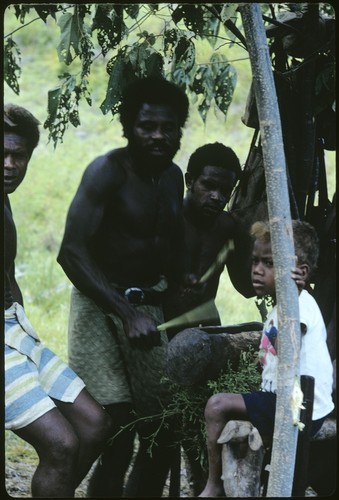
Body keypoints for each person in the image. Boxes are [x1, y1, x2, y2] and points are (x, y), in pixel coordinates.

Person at [57, 76, 190, 497]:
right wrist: (125, 311)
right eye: (147, 126)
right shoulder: (106, 173)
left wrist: (178, 284)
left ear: (179, 130)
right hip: (100, 303)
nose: (158, 136)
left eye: (167, 127)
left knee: (161, 424)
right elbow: (71, 253)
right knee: (115, 423)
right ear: (128, 128)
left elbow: (164, 243)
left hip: (148, 306)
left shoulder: (173, 178)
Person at [4, 103, 113, 498]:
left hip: (15, 329)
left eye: (19, 156)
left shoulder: (5, 198)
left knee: (94, 425)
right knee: (61, 444)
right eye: (2, 153)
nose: (9, 164)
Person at [198, 219, 334, 497]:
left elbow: (290, 342)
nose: (257, 271)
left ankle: (213, 484)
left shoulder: (299, 308)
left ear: (300, 272)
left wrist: (293, 292)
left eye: (270, 264)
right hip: (287, 399)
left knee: (216, 406)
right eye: (255, 261)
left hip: (299, 408)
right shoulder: (284, 305)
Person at [163, 142, 253, 341]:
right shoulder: (167, 218)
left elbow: (246, 286)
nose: (216, 197)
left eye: (225, 190)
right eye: (209, 186)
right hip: (158, 326)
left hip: (204, 328)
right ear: (190, 181)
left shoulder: (229, 227)